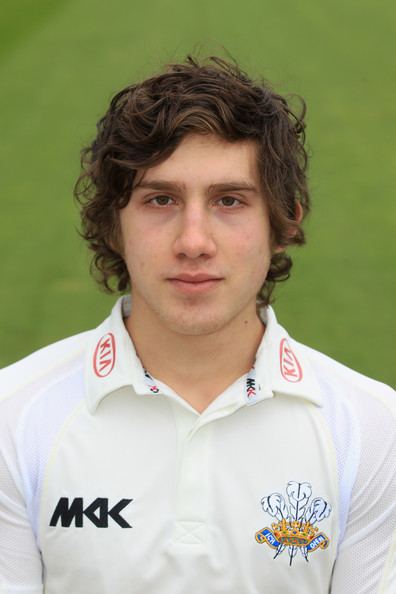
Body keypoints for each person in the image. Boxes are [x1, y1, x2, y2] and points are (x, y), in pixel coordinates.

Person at [0, 56, 395, 594]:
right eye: (160, 200)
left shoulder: (373, 431)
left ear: (284, 222)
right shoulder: (13, 419)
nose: (193, 242)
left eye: (229, 201)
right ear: (113, 224)